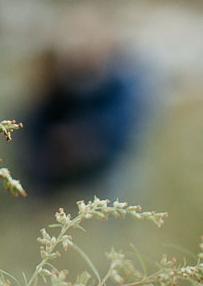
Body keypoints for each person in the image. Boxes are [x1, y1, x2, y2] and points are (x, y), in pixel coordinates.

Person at [19, 40, 154, 202]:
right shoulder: (53, 96)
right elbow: (33, 135)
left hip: (104, 174)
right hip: (54, 179)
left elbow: (119, 130)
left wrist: (82, 139)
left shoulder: (120, 89)